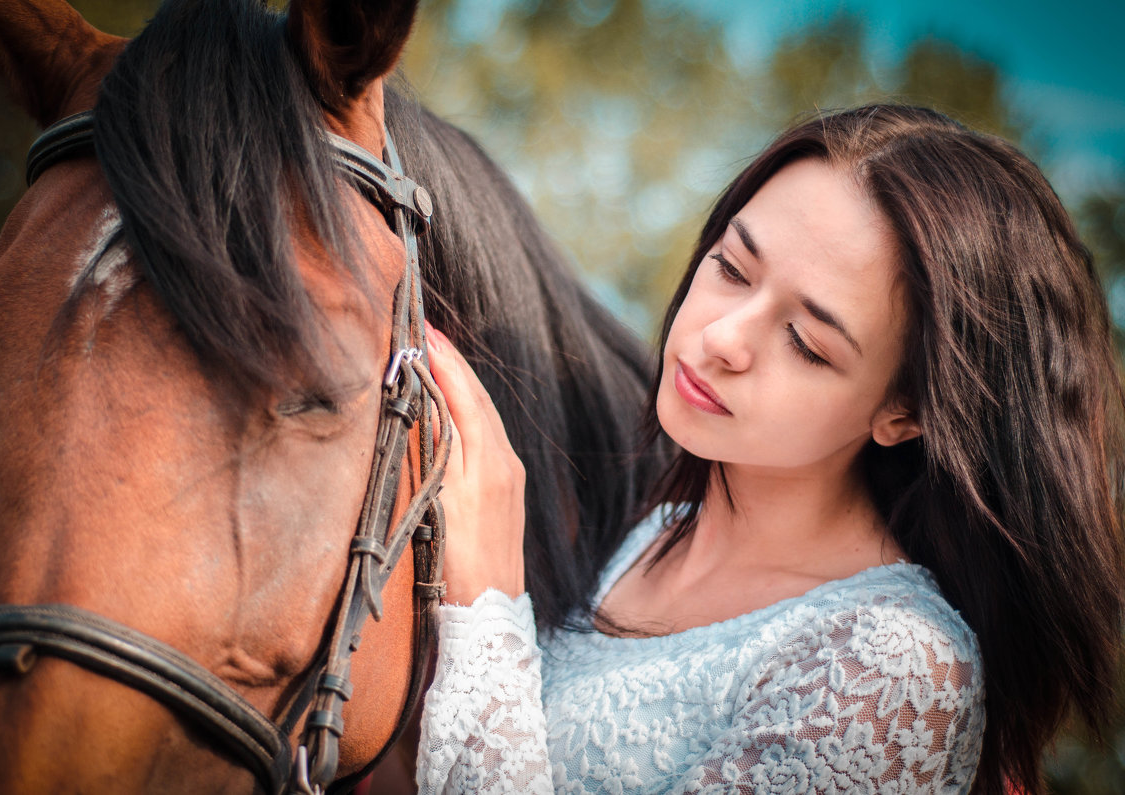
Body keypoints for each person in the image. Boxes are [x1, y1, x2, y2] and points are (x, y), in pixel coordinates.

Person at [415, 105, 1125, 794]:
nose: (723, 339)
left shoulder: (891, 667)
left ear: (903, 411)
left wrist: (484, 606)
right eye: (731, 268)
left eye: (805, 343)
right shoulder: (637, 529)